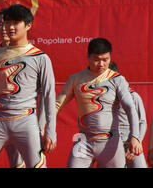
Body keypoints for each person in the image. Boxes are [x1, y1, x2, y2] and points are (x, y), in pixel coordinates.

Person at [0, 4, 57, 168]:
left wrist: (50, 130)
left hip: (25, 122)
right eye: (7, 22)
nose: (10, 27)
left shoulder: (40, 58)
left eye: (16, 22)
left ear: (28, 25)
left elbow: (48, 95)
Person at [56, 38, 142, 168]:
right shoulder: (75, 79)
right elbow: (56, 106)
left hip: (111, 142)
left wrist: (135, 137)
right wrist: (42, 128)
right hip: (83, 141)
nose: (101, 64)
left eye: (105, 59)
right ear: (88, 57)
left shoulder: (117, 79)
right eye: (96, 59)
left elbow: (130, 107)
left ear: (110, 57)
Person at [109, 62, 147, 168]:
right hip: (110, 145)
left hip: (131, 143)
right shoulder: (102, 98)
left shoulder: (133, 96)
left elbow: (142, 122)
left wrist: (136, 142)